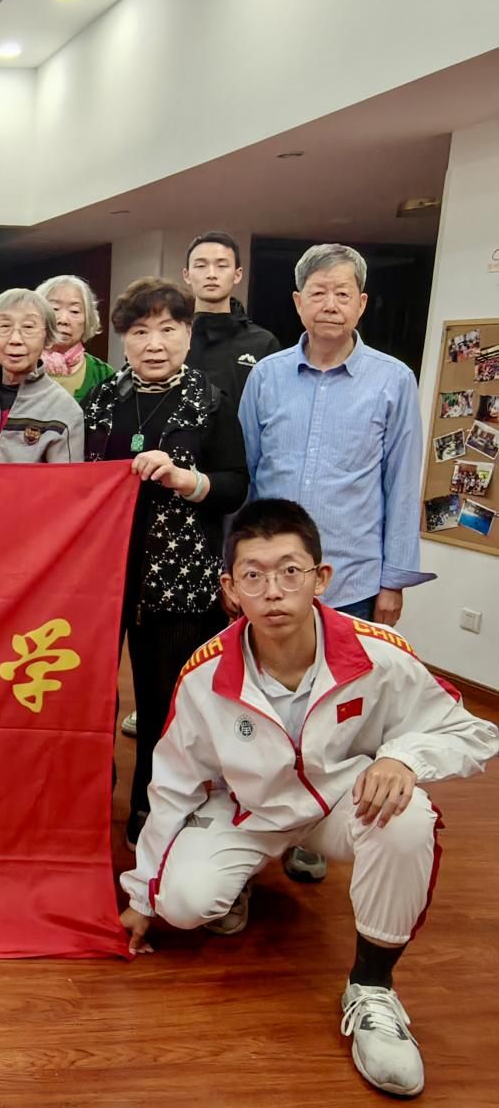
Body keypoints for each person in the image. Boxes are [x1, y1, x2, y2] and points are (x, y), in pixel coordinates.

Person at [120, 499, 497, 1099]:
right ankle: (238, 879)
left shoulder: (378, 652)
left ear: (321, 578)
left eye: (290, 571)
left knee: (408, 816)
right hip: (246, 811)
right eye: (253, 575)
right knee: (183, 905)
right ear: (229, 589)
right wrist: (143, 895)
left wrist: (403, 757)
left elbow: (471, 730)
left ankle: (372, 988)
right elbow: (172, 784)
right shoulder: (205, 674)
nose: (273, 591)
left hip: (339, 807)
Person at [238, 243, 433, 885]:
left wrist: (393, 580)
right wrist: (237, 571)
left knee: (337, 712)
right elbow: (247, 475)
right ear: (297, 302)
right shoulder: (266, 377)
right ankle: (255, 823)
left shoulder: (393, 379)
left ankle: (314, 828)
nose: (330, 303)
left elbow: (402, 483)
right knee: (265, 704)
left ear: (362, 303)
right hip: (268, 578)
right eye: (317, 292)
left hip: (349, 575)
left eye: (342, 292)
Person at [83, 277, 248, 848]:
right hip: (100, 576)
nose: (154, 343)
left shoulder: (211, 400)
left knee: (164, 703)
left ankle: (150, 812)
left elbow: (234, 485)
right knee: (91, 695)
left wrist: (186, 479)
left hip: (180, 578)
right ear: (122, 340)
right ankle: (88, 798)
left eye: (168, 329)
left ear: (188, 334)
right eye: (139, 331)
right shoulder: (100, 401)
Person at [0, 288, 83, 463]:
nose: (15, 339)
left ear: (48, 338)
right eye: (5, 326)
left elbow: (67, 479)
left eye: (28, 327)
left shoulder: (65, 410)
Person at [181, 232, 279, 410]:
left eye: (221, 266)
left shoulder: (262, 343)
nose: (211, 274)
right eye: (201, 266)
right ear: (187, 275)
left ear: (237, 274)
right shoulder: (172, 337)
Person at [36, 275, 115, 405]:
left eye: (74, 311)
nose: (63, 320)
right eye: (54, 309)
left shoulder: (103, 374)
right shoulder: (21, 366)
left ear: (88, 319)